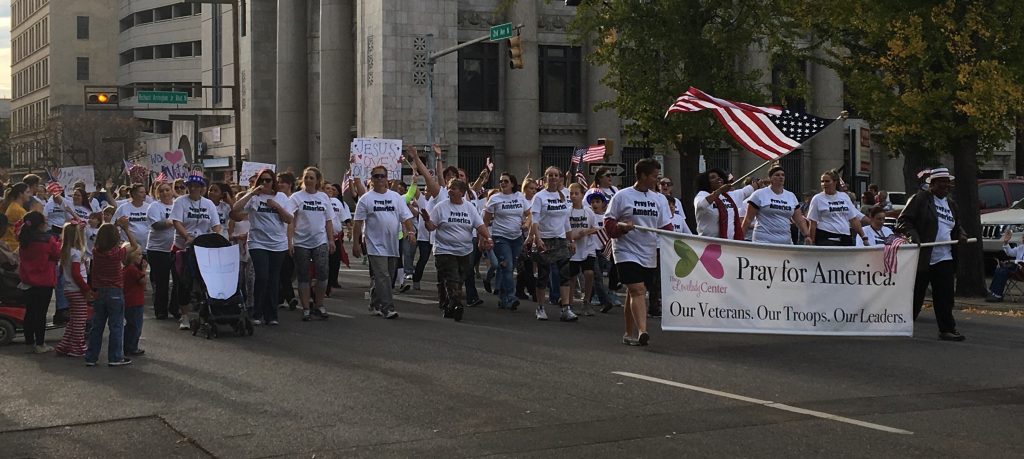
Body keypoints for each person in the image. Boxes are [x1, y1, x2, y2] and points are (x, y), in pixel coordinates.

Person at [604, 158, 672, 346]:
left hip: (648, 251)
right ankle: (643, 331)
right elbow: (608, 224)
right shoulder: (622, 196)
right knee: (637, 289)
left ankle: (628, 332)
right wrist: (623, 228)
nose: (657, 181)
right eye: (654, 177)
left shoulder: (659, 199)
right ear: (642, 175)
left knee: (635, 293)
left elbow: (666, 226)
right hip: (625, 250)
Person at [896, 167, 968, 341]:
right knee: (916, 295)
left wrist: (961, 234)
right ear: (932, 184)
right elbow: (903, 222)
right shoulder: (920, 199)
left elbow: (955, 226)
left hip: (945, 256)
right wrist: (914, 237)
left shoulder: (951, 204)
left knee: (945, 296)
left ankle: (947, 329)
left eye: (947, 182)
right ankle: (903, 327)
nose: (945, 185)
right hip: (923, 256)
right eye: (941, 182)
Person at [423, 178, 492, 321]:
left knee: (460, 279)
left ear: (461, 192)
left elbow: (479, 225)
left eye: (453, 188)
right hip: (444, 250)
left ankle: (449, 306)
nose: (450, 190)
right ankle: (456, 305)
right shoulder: (441, 207)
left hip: (464, 250)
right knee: (451, 278)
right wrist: (426, 220)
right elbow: (431, 227)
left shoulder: (469, 208)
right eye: (449, 187)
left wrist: (488, 238)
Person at [233, 169, 294, 326]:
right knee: (262, 276)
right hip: (258, 242)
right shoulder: (254, 198)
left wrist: (277, 207)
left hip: (277, 244)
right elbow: (235, 209)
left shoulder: (282, 198)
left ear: (273, 182)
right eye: (262, 180)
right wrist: (252, 193)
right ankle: (257, 312)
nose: (265, 183)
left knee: (274, 279)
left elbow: (289, 219)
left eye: (268, 180)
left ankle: (271, 314)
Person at [353, 165, 416, 319]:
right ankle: (388, 307)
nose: (379, 179)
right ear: (371, 179)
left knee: (387, 275)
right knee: (383, 276)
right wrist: (355, 243)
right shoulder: (365, 199)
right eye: (376, 176)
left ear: (387, 178)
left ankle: (374, 302)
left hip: (393, 244)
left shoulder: (395, 197)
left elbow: (405, 217)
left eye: (382, 176)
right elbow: (358, 223)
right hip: (374, 245)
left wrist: (411, 231)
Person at [170, 175, 223, 330]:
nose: (193, 188)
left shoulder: (208, 204)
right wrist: (187, 236)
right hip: (183, 247)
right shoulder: (180, 202)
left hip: (203, 248)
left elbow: (216, 225)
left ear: (202, 188)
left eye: (196, 186)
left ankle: (206, 311)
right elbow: (176, 221)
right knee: (183, 282)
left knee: (205, 281)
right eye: (190, 185)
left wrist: (217, 238)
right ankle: (184, 316)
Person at [527, 166, 578, 322]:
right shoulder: (540, 197)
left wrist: (571, 240)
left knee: (564, 274)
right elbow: (535, 221)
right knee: (543, 275)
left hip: (561, 239)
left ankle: (566, 308)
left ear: (560, 177)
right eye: (550, 175)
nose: (553, 178)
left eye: (556, 175)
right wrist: (537, 238)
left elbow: (566, 220)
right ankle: (540, 307)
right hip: (545, 240)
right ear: (545, 178)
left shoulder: (565, 195)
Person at [85, 219, 138, 366]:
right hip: (115, 290)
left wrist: (113, 226)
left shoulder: (96, 252)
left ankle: (91, 356)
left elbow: (106, 236)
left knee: (97, 325)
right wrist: (126, 229)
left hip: (99, 291)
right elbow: (134, 246)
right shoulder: (117, 253)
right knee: (116, 325)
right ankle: (115, 356)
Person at [289, 167, 337, 321]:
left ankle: (319, 304)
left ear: (317, 181)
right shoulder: (296, 197)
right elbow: (290, 220)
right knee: (303, 275)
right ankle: (306, 308)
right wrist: (290, 241)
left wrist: (331, 240)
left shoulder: (323, 197)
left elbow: (328, 220)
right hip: (301, 242)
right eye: (306, 177)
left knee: (323, 272)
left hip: (320, 241)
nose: (308, 180)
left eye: (311, 178)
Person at [484, 172, 530, 310]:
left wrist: (527, 224)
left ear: (512, 183)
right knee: (507, 266)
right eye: (501, 181)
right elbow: (485, 221)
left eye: (505, 181)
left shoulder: (520, 197)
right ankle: (511, 297)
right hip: (500, 237)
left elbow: (530, 214)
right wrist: (485, 238)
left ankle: (503, 299)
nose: (502, 183)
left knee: (509, 269)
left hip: (516, 238)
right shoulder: (495, 199)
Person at [18, 211, 61, 353]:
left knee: (30, 311)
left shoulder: (24, 239)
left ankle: (29, 340)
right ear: (40, 224)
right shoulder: (48, 240)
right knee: (41, 313)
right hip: (44, 280)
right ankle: (40, 343)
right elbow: (57, 254)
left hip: (27, 279)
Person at [742, 166, 809, 245]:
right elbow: (748, 219)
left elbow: (799, 220)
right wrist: (739, 238)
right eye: (777, 175)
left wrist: (807, 235)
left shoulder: (791, 196)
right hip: (762, 242)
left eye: (783, 175)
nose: (781, 177)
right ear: (770, 178)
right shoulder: (759, 194)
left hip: (785, 243)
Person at [55, 223, 92, 358]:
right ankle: (77, 347)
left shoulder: (65, 252)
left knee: (73, 320)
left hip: (68, 288)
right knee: (80, 321)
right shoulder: (75, 253)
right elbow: (76, 274)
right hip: (77, 290)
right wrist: (86, 289)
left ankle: (64, 345)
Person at [807, 170, 867, 246]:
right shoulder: (817, 199)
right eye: (822, 181)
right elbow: (813, 222)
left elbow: (853, 219)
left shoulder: (844, 197)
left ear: (835, 182)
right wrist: (812, 241)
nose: (824, 184)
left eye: (827, 181)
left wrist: (863, 236)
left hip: (845, 235)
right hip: (826, 235)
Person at [693, 169, 757, 240]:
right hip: (709, 244)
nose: (718, 178)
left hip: (729, 245)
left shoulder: (728, 196)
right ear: (706, 182)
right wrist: (719, 191)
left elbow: (745, 191)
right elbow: (701, 205)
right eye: (713, 177)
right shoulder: (702, 194)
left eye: (720, 176)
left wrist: (759, 183)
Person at [567, 183, 601, 316]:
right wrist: (574, 237)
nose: (574, 196)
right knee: (572, 277)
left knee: (589, 273)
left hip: (588, 247)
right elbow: (565, 230)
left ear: (582, 195)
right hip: (573, 248)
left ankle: (586, 300)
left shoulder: (588, 212)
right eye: (571, 194)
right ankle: (568, 303)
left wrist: (587, 232)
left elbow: (595, 228)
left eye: (576, 193)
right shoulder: (567, 212)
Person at [147, 182, 177, 320]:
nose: (165, 193)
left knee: (179, 280)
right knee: (162, 281)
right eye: (162, 191)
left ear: (172, 191)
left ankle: (175, 307)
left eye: (167, 190)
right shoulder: (154, 206)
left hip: (176, 247)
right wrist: (173, 222)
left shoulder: (178, 204)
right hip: (158, 249)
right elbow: (156, 225)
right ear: (158, 193)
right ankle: (161, 310)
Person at [275, 172, 300, 310]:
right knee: (283, 270)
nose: (279, 185)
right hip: (279, 238)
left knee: (289, 271)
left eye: (282, 182)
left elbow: (291, 222)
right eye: (277, 182)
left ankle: (283, 296)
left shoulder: (292, 199)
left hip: (293, 238)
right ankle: (288, 297)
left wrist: (290, 241)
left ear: (290, 184)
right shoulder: (277, 198)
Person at [229, 191, 255, 312]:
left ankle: (250, 301)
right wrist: (237, 237)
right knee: (239, 277)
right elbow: (229, 235)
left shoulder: (252, 216)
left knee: (250, 277)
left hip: (249, 249)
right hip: (237, 249)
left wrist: (247, 235)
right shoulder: (234, 219)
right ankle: (239, 300)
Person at [122, 245, 147, 356]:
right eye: (139, 254)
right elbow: (143, 282)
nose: (141, 257)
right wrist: (144, 270)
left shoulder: (126, 269)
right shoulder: (133, 269)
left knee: (131, 325)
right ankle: (131, 347)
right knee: (135, 325)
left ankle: (128, 345)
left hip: (129, 300)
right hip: (135, 301)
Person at [112, 183, 151, 253]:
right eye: (141, 192)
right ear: (133, 194)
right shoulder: (123, 208)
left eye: (145, 192)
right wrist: (117, 223)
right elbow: (112, 225)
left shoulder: (149, 207)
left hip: (146, 248)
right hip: (129, 248)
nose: (144, 194)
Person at [987, 229, 1024, 303]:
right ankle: (993, 292)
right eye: (1023, 238)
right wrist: (1006, 242)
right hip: (1017, 269)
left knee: (1004, 271)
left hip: (1022, 270)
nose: (1023, 239)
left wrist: (1016, 262)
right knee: (1000, 270)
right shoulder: (1021, 247)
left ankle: (997, 295)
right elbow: (1010, 253)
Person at [2, 183, 30, 251]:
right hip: (14, 245)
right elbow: (29, 226)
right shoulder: (17, 210)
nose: (30, 195)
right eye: (27, 192)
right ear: (20, 194)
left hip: (11, 243)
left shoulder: (14, 206)